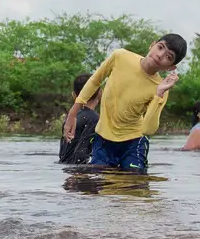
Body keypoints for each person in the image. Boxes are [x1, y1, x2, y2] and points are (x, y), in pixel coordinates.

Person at [62, 35, 187, 173]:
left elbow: (147, 130)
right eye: (160, 47)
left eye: (168, 57)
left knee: (133, 181)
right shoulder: (120, 56)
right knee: (99, 179)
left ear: (170, 67)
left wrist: (159, 94)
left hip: (134, 142)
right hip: (103, 138)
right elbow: (95, 81)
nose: (160, 55)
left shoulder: (160, 88)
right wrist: (73, 113)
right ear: (152, 45)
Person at [58, 72, 100, 164]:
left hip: (65, 167)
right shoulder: (97, 120)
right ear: (100, 94)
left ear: (74, 95)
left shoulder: (69, 121)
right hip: (83, 168)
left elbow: (64, 154)